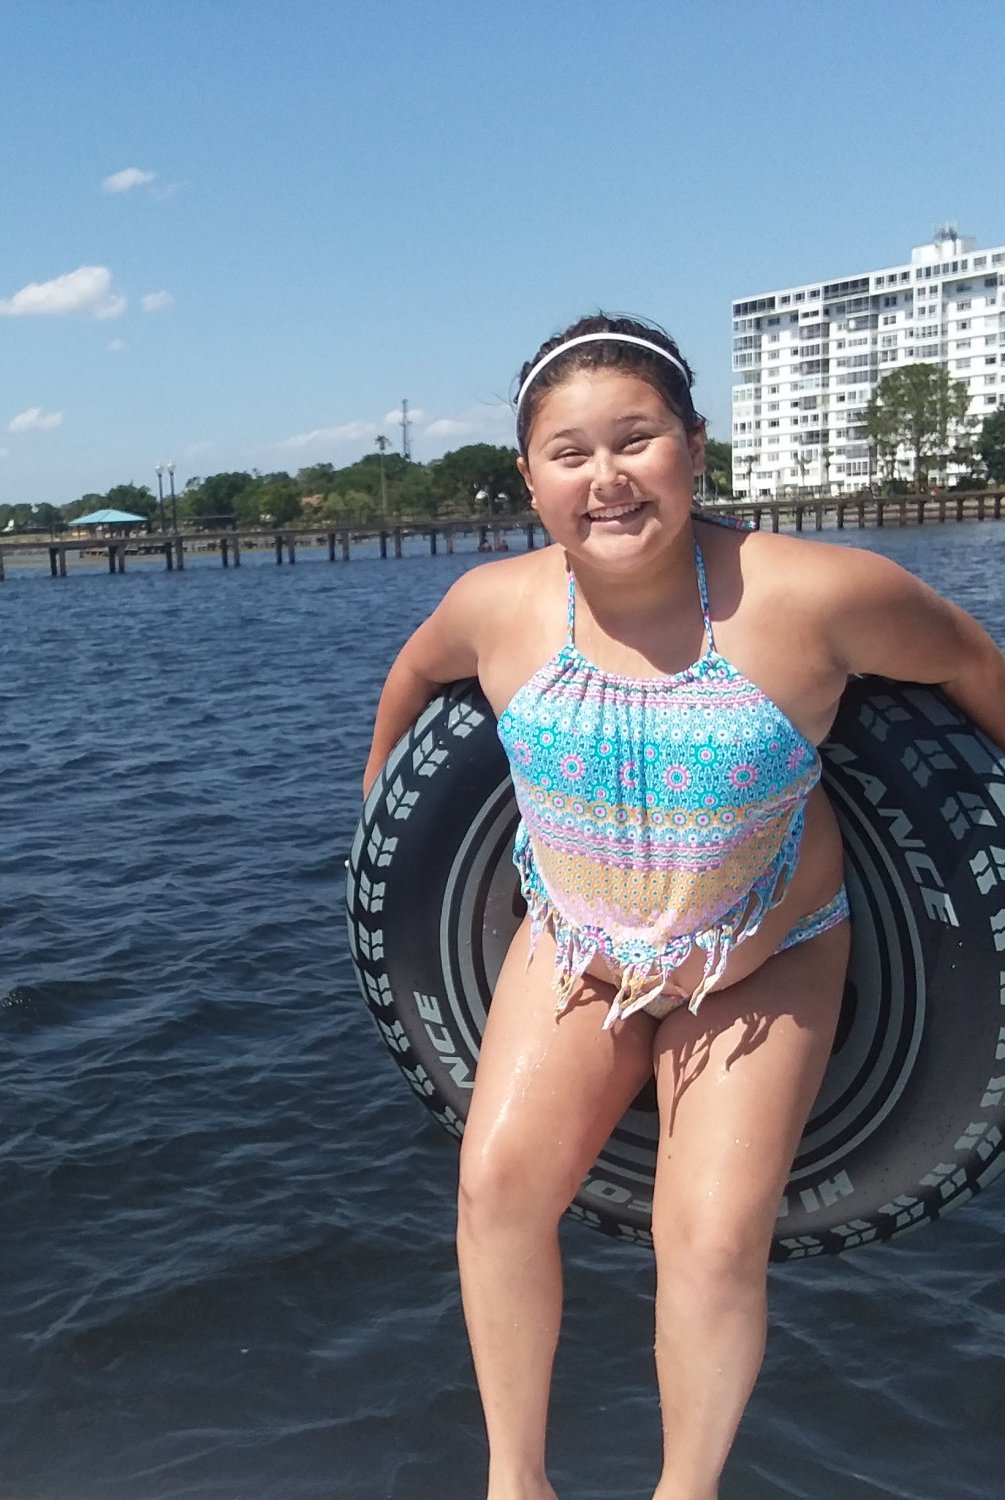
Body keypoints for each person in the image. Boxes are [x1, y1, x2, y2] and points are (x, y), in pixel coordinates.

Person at [362, 314, 1005, 1499]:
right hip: (574, 947)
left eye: (636, 439)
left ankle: (685, 1490)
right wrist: (373, 823)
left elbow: (971, 662)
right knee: (497, 1194)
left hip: (764, 957)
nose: (605, 478)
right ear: (529, 476)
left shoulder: (816, 595)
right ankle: (518, 1481)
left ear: (694, 447)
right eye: (569, 453)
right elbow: (411, 678)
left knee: (704, 1245)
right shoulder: (496, 607)